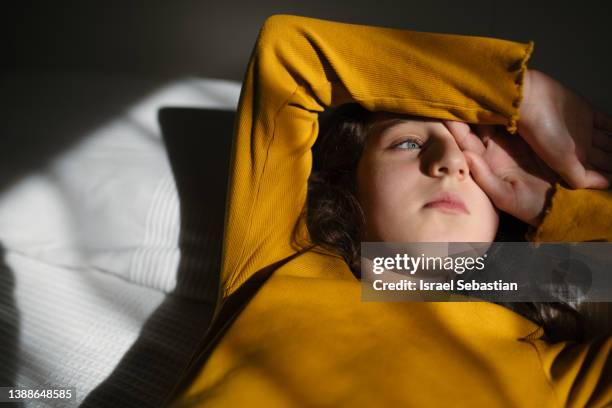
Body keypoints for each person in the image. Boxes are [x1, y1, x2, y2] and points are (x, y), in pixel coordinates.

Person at [170, 14, 612, 407]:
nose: (453, 163)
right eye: (408, 142)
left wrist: (559, 208)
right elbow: (289, 52)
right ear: (351, 182)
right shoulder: (277, 262)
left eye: (478, 159)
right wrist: (516, 95)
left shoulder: (559, 375)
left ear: (503, 215)